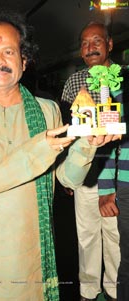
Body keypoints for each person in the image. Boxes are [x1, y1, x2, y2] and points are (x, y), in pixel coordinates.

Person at [0, 12, 116, 301]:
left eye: (8, 51)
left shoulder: (47, 109)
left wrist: (87, 145)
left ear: (24, 61)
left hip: (33, 252)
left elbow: (65, 179)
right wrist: (37, 151)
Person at [60, 21, 121, 301]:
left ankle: (113, 289)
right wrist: (69, 172)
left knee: (114, 235)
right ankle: (88, 291)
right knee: (86, 235)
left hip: (119, 171)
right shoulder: (74, 82)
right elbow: (68, 129)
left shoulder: (123, 80)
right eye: (84, 43)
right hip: (85, 169)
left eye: (97, 41)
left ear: (109, 44)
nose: (90, 47)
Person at [98, 69, 129, 301]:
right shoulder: (119, 84)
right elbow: (108, 136)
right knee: (127, 258)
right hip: (127, 185)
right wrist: (107, 188)